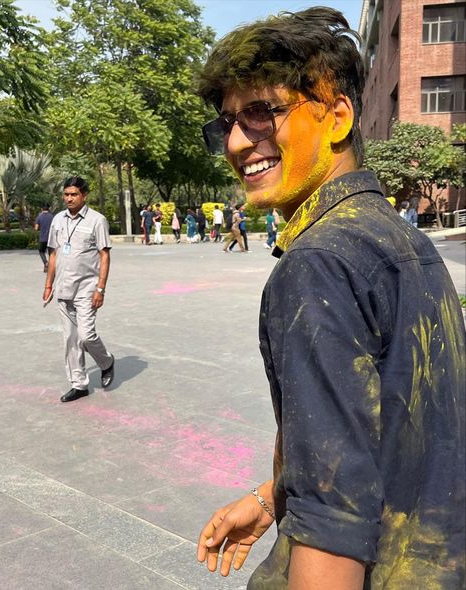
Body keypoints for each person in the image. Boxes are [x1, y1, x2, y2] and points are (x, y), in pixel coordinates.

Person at [196, 7, 465, 589]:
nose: (240, 142)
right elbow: (391, 428)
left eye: (262, 113)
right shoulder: (403, 239)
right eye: (228, 123)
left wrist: (303, 505)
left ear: (337, 116)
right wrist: (272, 499)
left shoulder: (317, 264)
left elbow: (333, 519)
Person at [43, 176, 115, 403]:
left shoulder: (97, 220)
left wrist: (100, 289)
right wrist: (48, 284)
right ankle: (79, 384)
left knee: (86, 335)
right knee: (70, 339)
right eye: (66, 194)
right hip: (63, 288)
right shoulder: (57, 220)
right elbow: (53, 253)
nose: (69, 199)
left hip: (86, 288)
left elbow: (105, 255)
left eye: (74, 194)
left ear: (84, 196)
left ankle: (106, 362)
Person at [34, 203, 54, 272]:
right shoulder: (52, 216)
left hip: (42, 238)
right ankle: (52, 267)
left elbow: (36, 228)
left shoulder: (39, 216)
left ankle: (45, 263)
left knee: (41, 251)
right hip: (51, 238)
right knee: (51, 253)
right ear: (48, 208)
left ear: (41, 208)